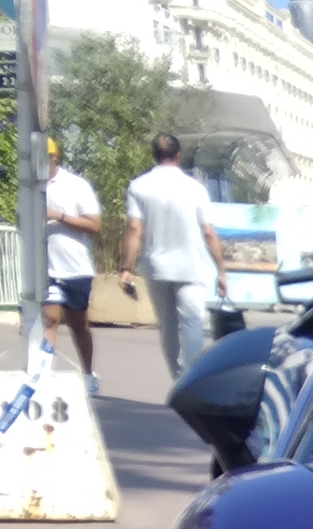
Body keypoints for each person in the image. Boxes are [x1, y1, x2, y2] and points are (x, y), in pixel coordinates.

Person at [118, 132, 228, 382]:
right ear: (178, 156)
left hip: (156, 266)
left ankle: (176, 379)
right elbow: (209, 231)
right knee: (192, 323)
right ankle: (192, 380)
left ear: (154, 156)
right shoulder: (195, 188)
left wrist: (126, 267)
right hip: (191, 265)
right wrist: (221, 270)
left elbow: (135, 229)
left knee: (167, 326)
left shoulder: (138, 186)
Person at [42, 138, 103, 394]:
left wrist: (59, 216)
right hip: (45, 268)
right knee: (49, 320)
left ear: (55, 157)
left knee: (78, 325)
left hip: (75, 267)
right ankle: (43, 375)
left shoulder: (75, 185)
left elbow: (94, 225)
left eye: (46, 158)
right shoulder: (30, 186)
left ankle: (88, 373)